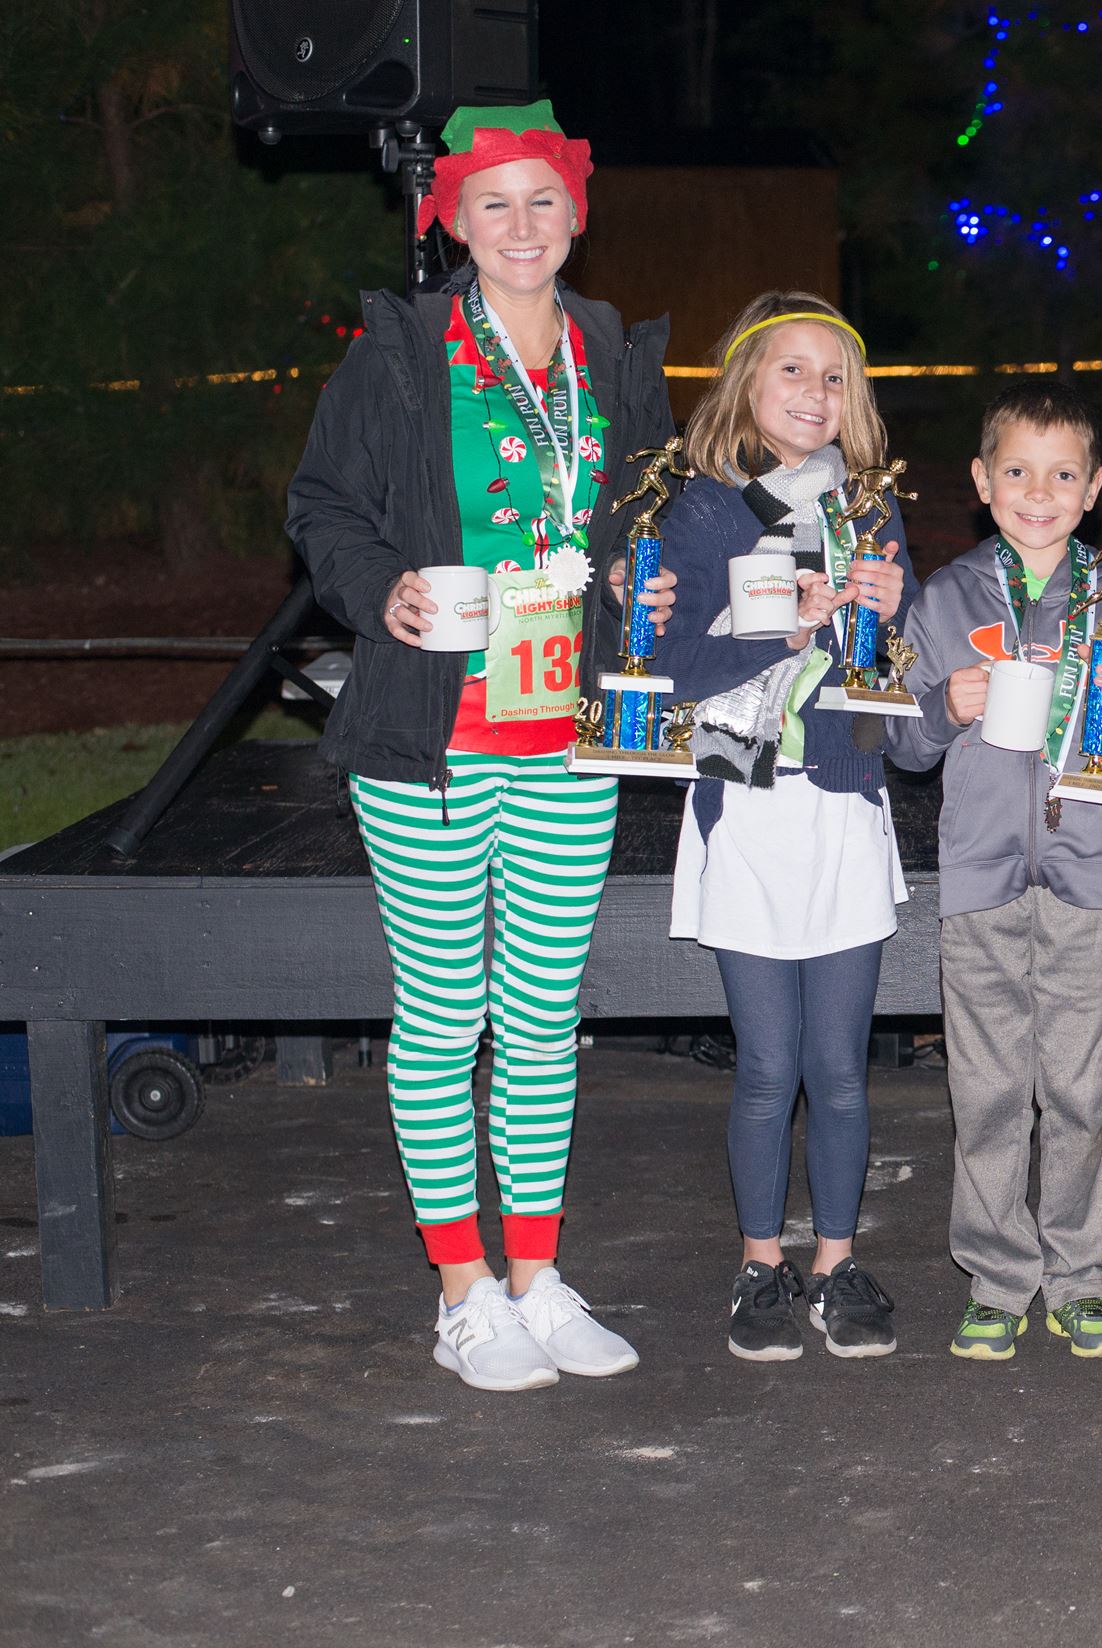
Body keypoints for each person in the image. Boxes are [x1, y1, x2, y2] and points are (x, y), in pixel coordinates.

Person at [285, 102, 670, 1392]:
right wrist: (380, 587)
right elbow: (322, 503)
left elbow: (641, 513)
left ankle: (537, 1273)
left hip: (564, 723)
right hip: (433, 732)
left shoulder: (610, 350)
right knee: (448, 1012)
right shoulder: (399, 349)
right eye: (492, 205)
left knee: (544, 1018)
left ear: (577, 214)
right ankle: (461, 1286)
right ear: (450, 220)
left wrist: (645, 580)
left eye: (542, 202)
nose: (520, 227)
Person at [654, 292, 915, 1364]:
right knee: (767, 1066)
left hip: (844, 798)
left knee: (841, 1065)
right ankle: (759, 1262)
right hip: (744, 795)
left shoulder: (872, 507)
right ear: (745, 387)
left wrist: (886, 616)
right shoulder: (706, 509)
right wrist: (782, 619)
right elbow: (678, 677)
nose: (815, 393)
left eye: (833, 376)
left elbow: (881, 687)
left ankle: (835, 1262)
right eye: (790, 372)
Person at [883, 384, 1102, 1363]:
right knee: (989, 1088)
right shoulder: (946, 597)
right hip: (981, 877)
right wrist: (941, 705)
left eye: (1060, 473)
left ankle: (1079, 1278)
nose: (1037, 490)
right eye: (1016, 471)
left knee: (1079, 1090)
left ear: (1091, 491)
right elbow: (903, 749)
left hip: (1085, 875)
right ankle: (998, 1277)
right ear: (980, 483)